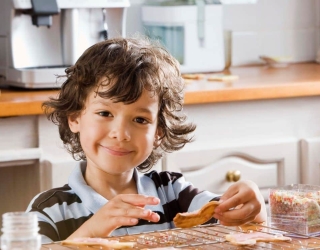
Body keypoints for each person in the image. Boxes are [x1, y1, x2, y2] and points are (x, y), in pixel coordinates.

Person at [26, 36, 267, 243]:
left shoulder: (172, 193)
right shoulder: (48, 210)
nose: (120, 133)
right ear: (75, 118)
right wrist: (90, 232)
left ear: (159, 131)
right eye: (105, 113)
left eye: (140, 120)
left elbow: (240, 221)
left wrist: (249, 202)